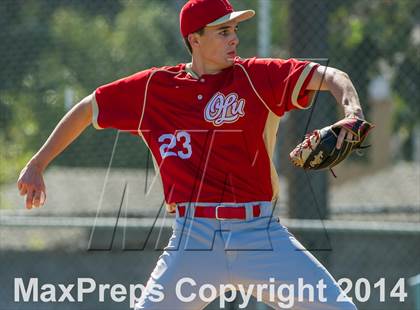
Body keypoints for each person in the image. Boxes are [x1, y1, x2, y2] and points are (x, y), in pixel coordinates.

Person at [17, 0, 363, 309]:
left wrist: (353, 111)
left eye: (235, 29)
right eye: (223, 30)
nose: (234, 38)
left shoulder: (257, 76)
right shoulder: (155, 88)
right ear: (194, 39)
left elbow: (332, 76)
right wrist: (37, 163)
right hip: (193, 238)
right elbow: (88, 108)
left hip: (259, 234)